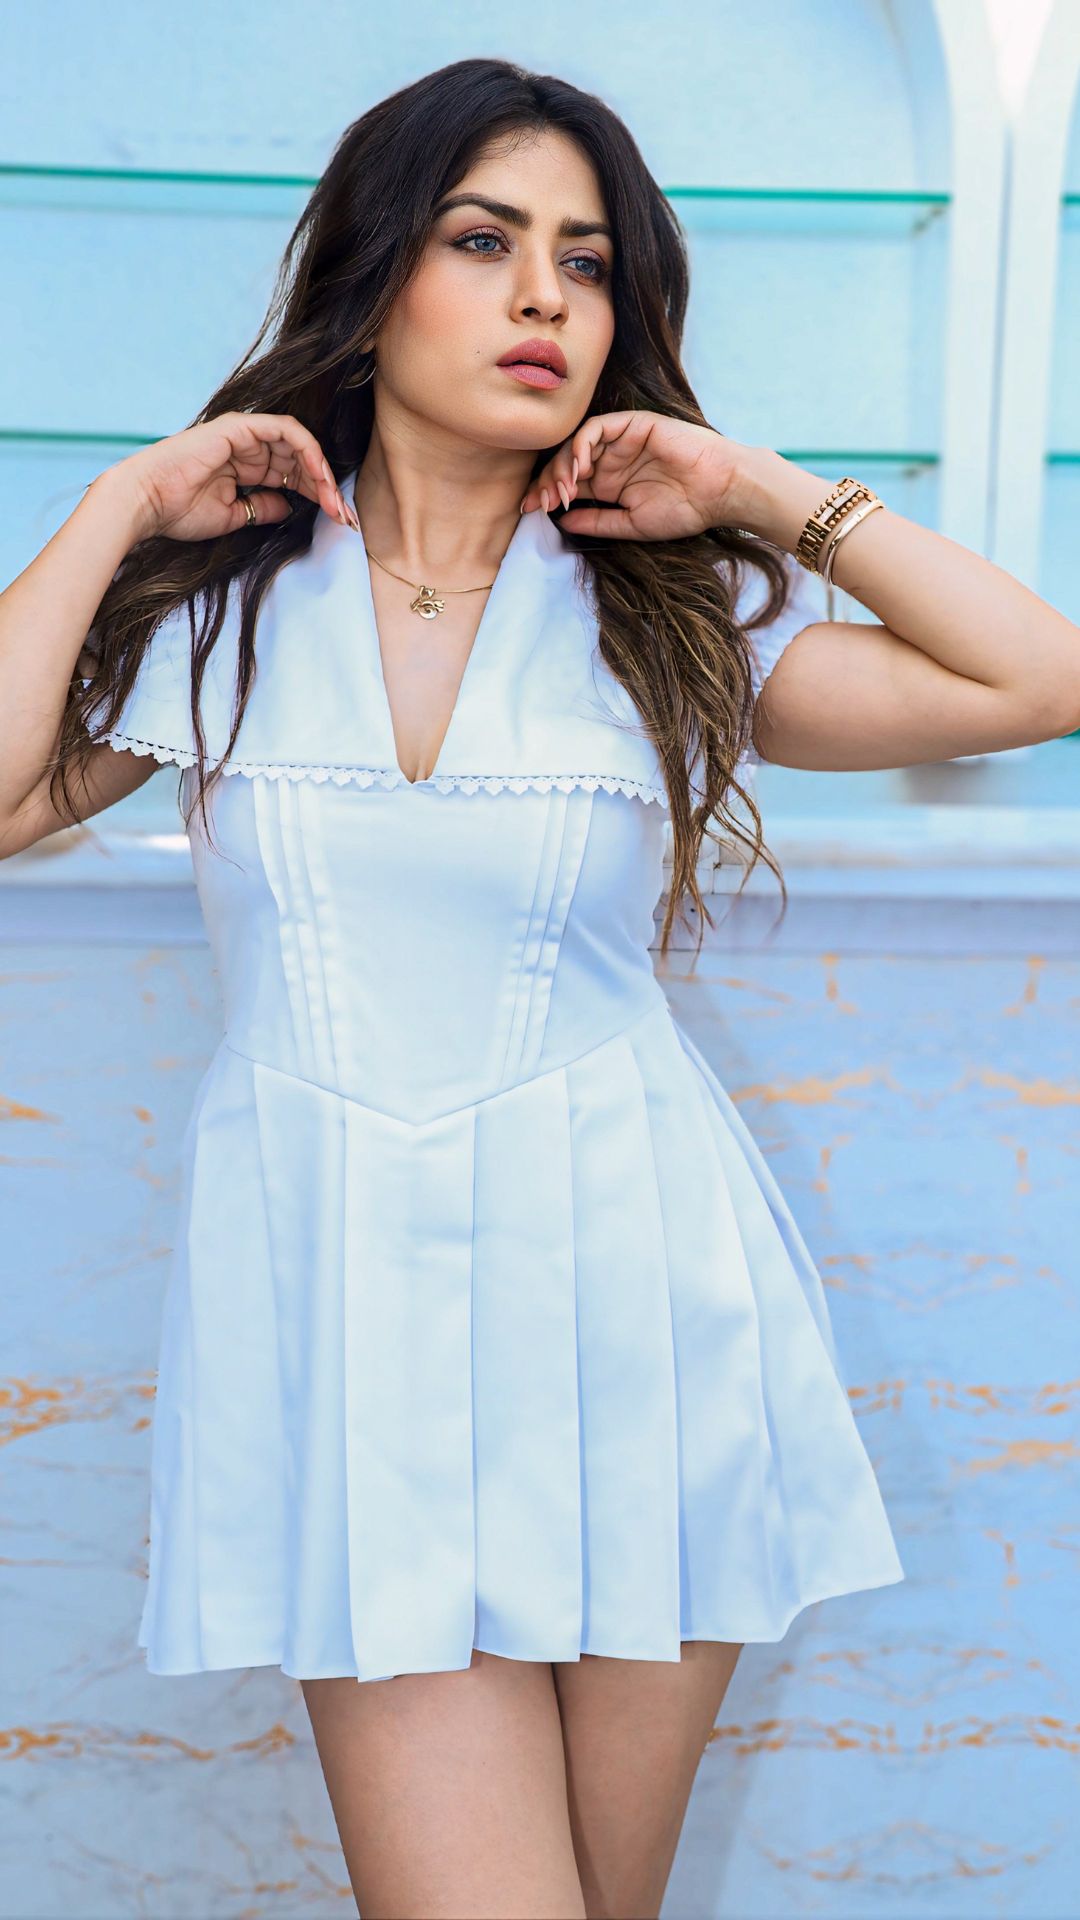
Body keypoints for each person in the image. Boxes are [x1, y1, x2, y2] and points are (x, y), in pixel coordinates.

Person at [3, 56, 1078, 1920]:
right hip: (351, 1346)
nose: (541, 300)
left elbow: (1033, 679)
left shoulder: (666, 614)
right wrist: (116, 506)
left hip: (643, 1326)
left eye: (588, 264)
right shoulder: (228, 611)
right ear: (371, 270)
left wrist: (748, 486)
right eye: (484, 240)